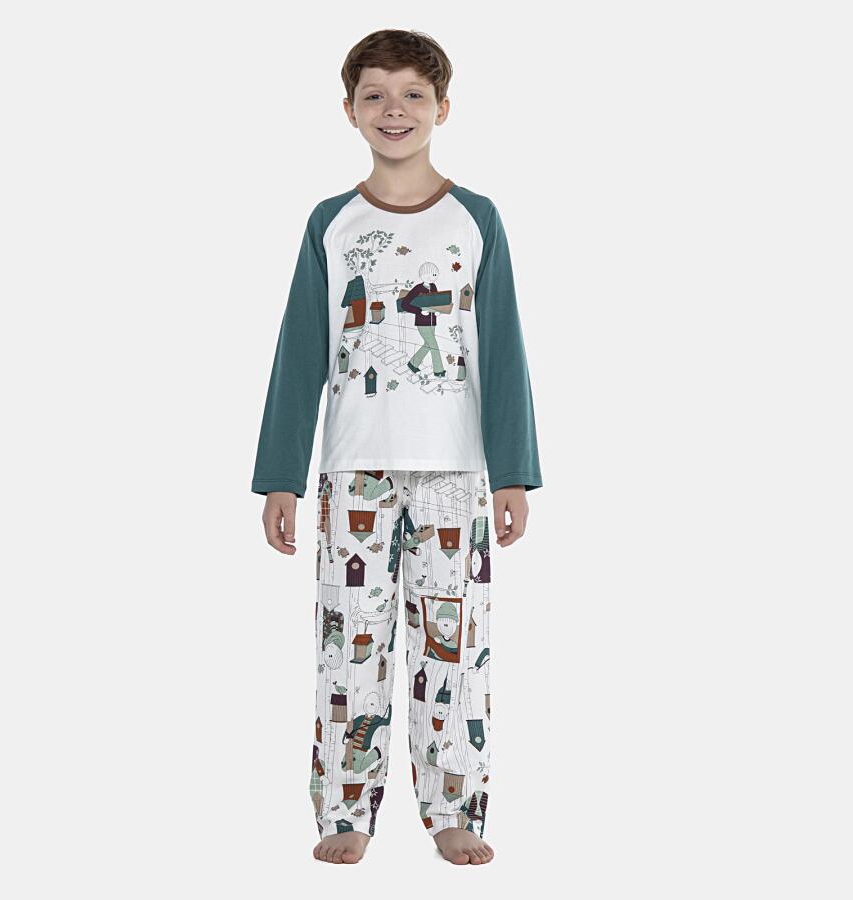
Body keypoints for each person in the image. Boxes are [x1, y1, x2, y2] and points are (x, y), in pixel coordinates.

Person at [251, 28, 542, 866]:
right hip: (353, 471)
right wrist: (282, 477)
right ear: (349, 110)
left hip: (454, 470)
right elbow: (300, 352)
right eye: (374, 94)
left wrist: (513, 472)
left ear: (442, 108)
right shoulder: (331, 223)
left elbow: (504, 347)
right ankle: (345, 808)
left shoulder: (477, 219)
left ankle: (454, 805)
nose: (394, 109)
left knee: (455, 644)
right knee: (350, 643)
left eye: (413, 94)